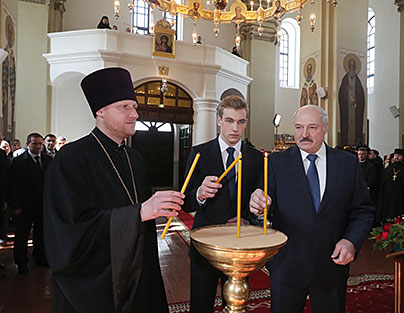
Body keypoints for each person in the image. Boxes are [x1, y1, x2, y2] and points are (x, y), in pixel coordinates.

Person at [44, 67, 184, 313]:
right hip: (97, 285)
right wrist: (139, 213)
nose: (135, 115)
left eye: (135, 107)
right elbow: (70, 230)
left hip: (140, 273)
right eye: (125, 107)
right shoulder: (71, 158)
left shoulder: (136, 159)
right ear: (100, 111)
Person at [249, 105, 374, 313]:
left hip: (332, 264)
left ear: (325, 128)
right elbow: (263, 206)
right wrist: (258, 206)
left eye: (312, 127)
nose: (304, 134)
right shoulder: (276, 162)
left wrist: (351, 241)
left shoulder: (347, 163)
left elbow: (363, 210)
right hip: (287, 264)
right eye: (299, 127)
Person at [182, 95, 263, 313]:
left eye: (240, 122)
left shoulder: (256, 158)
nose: (235, 128)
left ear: (246, 122)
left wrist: (252, 215)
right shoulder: (199, 153)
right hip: (205, 244)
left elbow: (259, 198)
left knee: (236, 304)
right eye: (229, 121)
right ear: (219, 120)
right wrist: (199, 193)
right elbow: (185, 200)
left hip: (239, 243)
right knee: (201, 304)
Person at [8, 133, 52, 273]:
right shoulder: (20, 161)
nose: (38, 146)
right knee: (22, 235)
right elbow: (13, 185)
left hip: (42, 204)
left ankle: (40, 257)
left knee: (41, 233)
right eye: (35, 143)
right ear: (28, 144)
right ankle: (21, 262)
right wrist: (15, 206)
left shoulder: (48, 160)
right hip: (24, 205)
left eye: (40, 143)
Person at [375, 148, 404, 223]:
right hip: (387, 195)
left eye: (399, 156)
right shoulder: (390, 167)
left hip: (400, 195)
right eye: (395, 155)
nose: (396, 157)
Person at [338, 57, 365, 146]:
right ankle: (345, 142)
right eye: (351, 65)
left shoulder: (358, 80)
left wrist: (357, 100)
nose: (352, 67)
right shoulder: (345, 78)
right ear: (348, 66)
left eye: (353, 65)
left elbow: (361, 93)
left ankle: (357, 142)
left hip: (355, 107)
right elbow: (341, 92)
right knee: (347, 123)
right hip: (347, 108)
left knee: (356, 124)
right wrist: (346, 95)